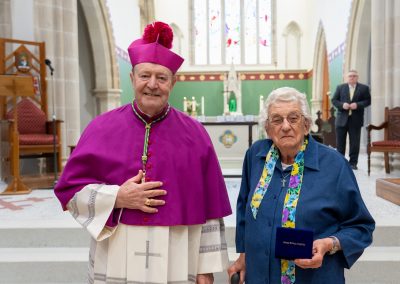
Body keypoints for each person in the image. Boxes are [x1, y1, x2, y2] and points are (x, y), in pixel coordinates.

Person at [54, 21, 232, 284]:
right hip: (116, 250)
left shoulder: (195, 135)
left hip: (178, 252)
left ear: (173, 82)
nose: (152, 84)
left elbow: (210, 206)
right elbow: (69, 192)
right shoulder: (101, 128)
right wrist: (116, 197)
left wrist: (205, 268)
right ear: (131, 78)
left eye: (161, 78)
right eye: (144, 75)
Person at [227, 87, 375, 284]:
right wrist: (243, 255)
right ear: (268, 129)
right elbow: (244, 209)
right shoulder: (255, 156)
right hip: (259, 277)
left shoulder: (334, 164)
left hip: (314, 278)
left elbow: (361, 226)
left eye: (294, 118)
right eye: (277, 120)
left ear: (306, 125)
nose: (285, 126)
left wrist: (329, 244)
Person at [331, 70, 371, 170]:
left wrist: (357, 105)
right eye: (350, 76)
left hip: (356, 120)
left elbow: (368, 101)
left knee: (354, 143)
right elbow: (334, 100)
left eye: (354, 76)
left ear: (357, 77)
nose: (352, 78)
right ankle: (340, 162)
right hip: (341, 120)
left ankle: (353, 163)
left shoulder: (364, 88)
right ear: (346, 78)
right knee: (340, 143)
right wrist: (342, 105)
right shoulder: (340, 87)